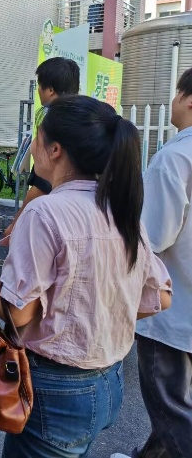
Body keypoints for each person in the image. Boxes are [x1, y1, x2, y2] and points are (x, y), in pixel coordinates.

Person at [0, 95, 171, 458]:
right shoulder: (120, 210)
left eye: (36, 138)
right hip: (108, 381)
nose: (32, 147)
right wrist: (96, 312)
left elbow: (17, 312)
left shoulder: (45, 212)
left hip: (57, 389)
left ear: (55, 149)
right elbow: (160, 297)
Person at [112, 70, 192, 458]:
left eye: (176, 93)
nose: (172, 101)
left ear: (189, 100)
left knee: (170, 408)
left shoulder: (175, 158)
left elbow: (151, 237)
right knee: (179, 404)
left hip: (172, 312)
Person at [2, 57, 81, 243]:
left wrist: (15, 225)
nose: (38, 90)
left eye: (39, 85)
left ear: (50, 90)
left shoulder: (50, 117)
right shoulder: (81, 117)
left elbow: (41, 186)